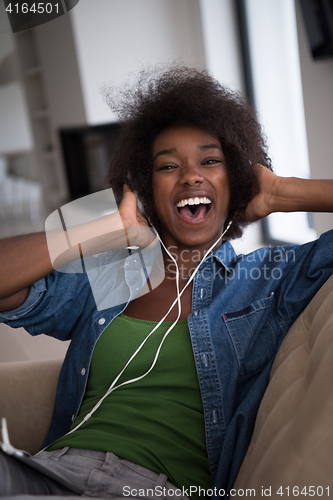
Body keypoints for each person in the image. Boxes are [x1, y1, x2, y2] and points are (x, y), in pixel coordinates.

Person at [0, 66, 333, 499]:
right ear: (145, 186)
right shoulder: (110, 274)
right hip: (50, 471)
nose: (191, 176)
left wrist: (284, 193)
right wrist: (105, 231)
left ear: (235, 180)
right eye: (168, 165)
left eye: (211, 161)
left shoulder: (268, 278)